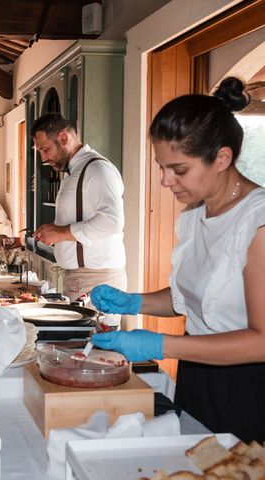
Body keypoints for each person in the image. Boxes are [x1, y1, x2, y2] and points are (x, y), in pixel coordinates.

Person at [90, 78, 265, 443]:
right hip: (197, 376)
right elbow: (197, 297)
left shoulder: (257, 223)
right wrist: (136, 301)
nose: (165, 181)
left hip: (248, 388)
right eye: (162, 166)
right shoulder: (194, 215)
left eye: (178, 169)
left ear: (222, 158)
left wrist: (160, 345)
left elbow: (260, 341)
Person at [30, 113, 126, 323]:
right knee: (75, 352)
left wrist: (62, 232)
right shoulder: (74, 172)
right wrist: (54, 230)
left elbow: (112, 221)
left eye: (45, 149)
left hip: (96, 280)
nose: (43, 158)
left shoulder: (98, 170)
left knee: (95, 351)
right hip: (80, 278)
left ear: (63, 139)